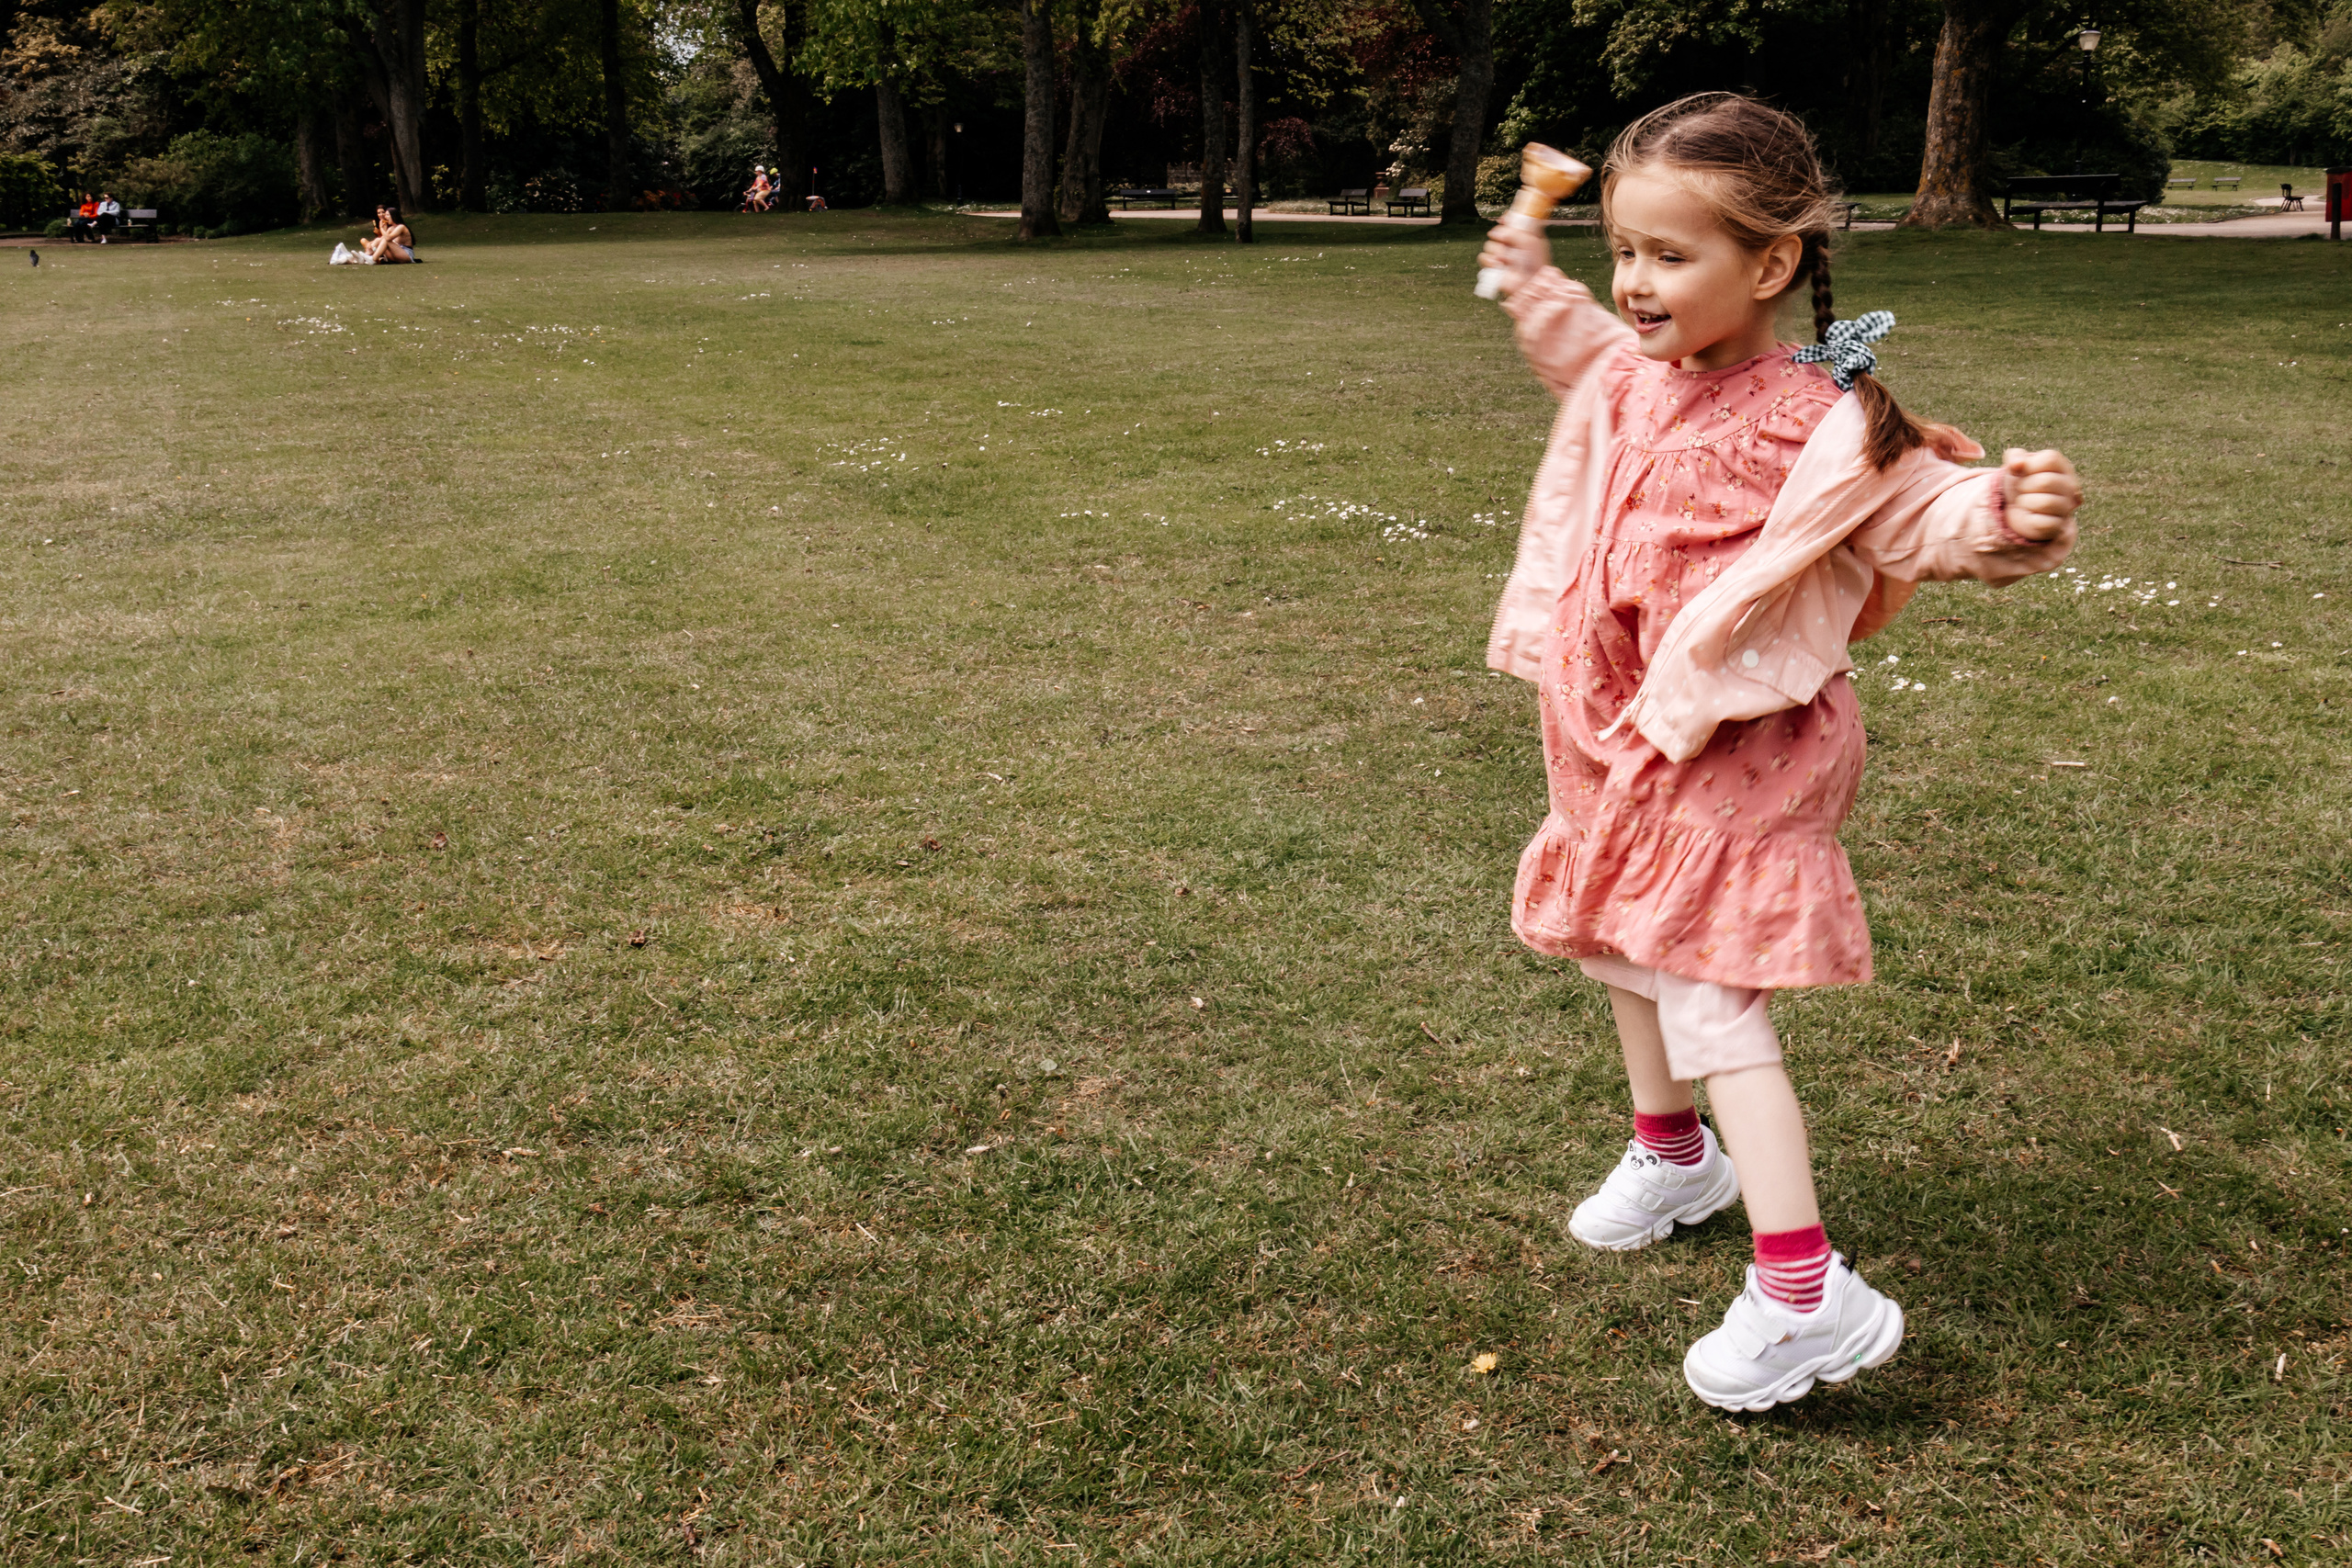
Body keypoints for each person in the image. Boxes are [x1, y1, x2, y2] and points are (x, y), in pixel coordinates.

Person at [1475, 93, 2082, 1412]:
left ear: (1772, 263)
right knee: (1618, 937)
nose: (1633, 283)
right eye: (1625, 251)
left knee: (1705, 988)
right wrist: (1529, 236)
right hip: (1608, 729)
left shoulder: (1818, 409)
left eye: (1669, 256)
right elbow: (1561, 326)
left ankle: (1808, 1296)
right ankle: (1674, 1154)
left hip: (1736, 749)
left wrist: (2005, 513)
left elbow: (1923, 504)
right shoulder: (1632, 373)